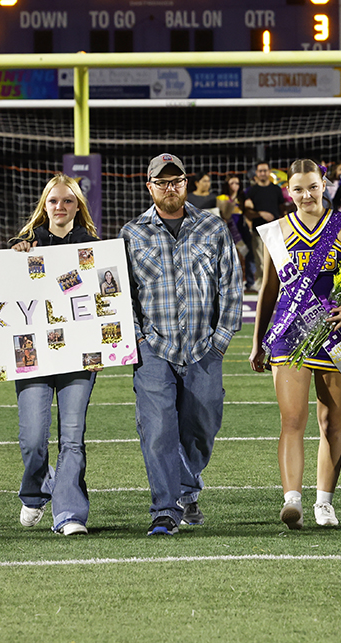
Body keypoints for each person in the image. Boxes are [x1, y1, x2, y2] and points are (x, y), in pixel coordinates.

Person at [121, 153, 243, 536]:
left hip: (203, 346)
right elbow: (120, 294)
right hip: (153, 348)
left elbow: (232, 285)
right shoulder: (132, 233)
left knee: (203, 424)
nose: (169, 188)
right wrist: (138, 339)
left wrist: (220, 341)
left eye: (176, 181)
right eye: (162, 182)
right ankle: (165, 508)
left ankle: (187, 487)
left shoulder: (212, 226)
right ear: (149, 186)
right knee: (158, 429)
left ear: (186, 183)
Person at [249, 159, 341, 530]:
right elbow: (269, 289)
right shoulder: (276, 231)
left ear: (324, 185)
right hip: (288, 333)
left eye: (313, 187)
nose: (306, 195)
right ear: (288, 190)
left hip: (335, 331)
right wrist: (257, 341)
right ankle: (293, 501)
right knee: (293, 420)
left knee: (331, 421)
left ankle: (325, 503)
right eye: (298, 189)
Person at [9, 174, 99, 535]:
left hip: (78, 357)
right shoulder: (24, 246)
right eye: (53, 202)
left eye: (67, 201)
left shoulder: (94, 246)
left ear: (79, 206)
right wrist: (14, 255)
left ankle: (70, 514)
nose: (60, 207)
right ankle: (34, 493)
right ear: (43, 206)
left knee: (72, 439)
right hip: (35, 358)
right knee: (33, 441)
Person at [244, 161, 287, 293]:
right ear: (256, 174)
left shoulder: (276, 189)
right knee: (261, 261)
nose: (263, 173)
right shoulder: (252, 191)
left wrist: (283, 219)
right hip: (259, 231)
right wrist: (260, 214)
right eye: (260, 171)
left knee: (279, 259)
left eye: (265, 171)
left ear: (269, 172)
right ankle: (263, 286)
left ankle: (280, 286)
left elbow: (282, 209)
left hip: (276, 231)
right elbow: (247, 212)